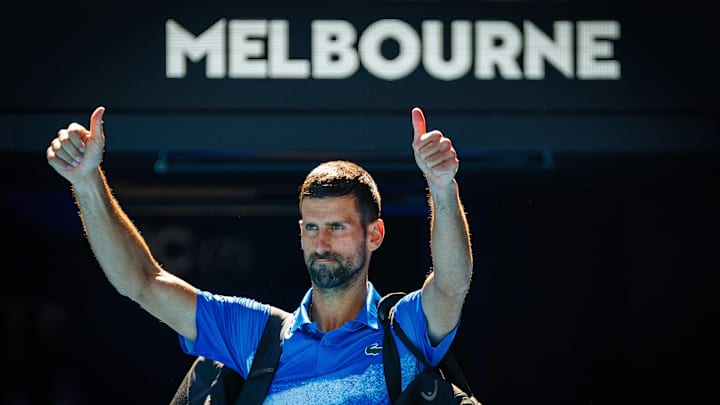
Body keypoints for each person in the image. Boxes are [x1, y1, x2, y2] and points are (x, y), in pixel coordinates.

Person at [45, 106, 474, 403]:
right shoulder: (257, 335)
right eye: (311, 227)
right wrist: (86, 181)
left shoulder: (405, 332)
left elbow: (452, 283)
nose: (321, 243)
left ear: (375, 234)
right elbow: (140, 282)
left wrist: (441, 185)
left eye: (337, 227)